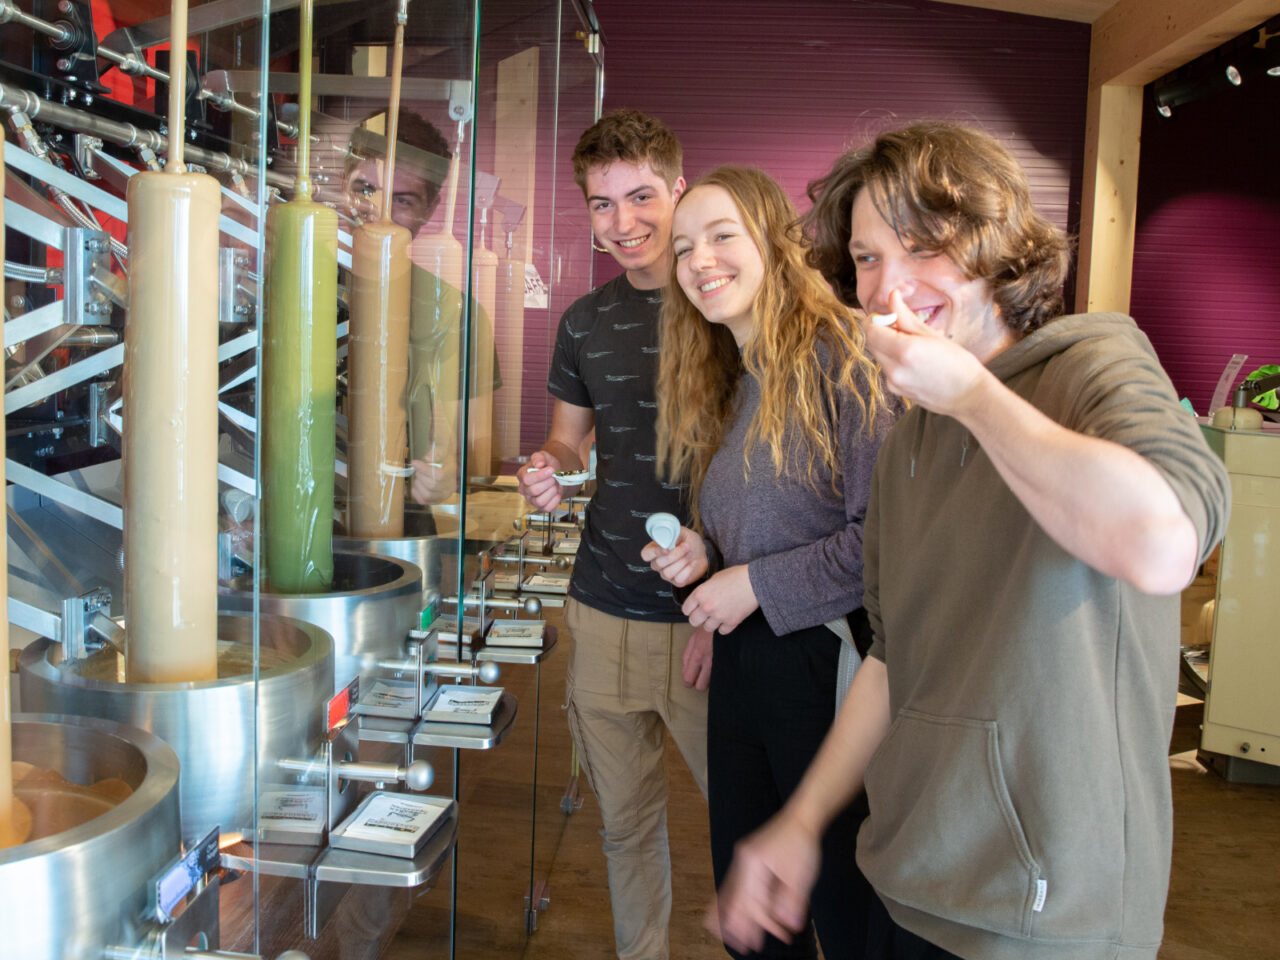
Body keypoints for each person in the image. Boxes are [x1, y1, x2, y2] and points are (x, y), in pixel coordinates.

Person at [714, 121, 1231, 960]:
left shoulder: (1097, 362)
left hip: (1042, 916)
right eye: (869, 258)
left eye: (924, 245)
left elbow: (1161, 546)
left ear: (997, 246)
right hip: (905, 873)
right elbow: (890, 656)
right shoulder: (911, 436)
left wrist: (974, 399)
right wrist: (802, 823)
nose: (889, 287)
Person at [642, 166, 898, 958]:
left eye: (722, 236)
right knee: (752, 915)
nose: (699, 261)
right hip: (743, 668)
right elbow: (761, 525)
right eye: (684, 247)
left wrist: (750, 584)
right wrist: (704, 555)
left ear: (775, 243)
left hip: (830, 669)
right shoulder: (735, 379)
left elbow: (884, 543)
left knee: (841, 908)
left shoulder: (847, 356)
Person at [515, 109, 712, 960]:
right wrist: (548, 467)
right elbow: (571, 436)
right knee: (625, 828)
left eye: (640, 197)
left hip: (716, 616)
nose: (623, 223)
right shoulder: (584, 322)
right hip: (601, 607)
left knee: (753, 821)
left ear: (679, 188)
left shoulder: (727, 307)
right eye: (601, 205)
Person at [340, 108, 500, 518]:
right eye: (365, 190)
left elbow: (475, 454)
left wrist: (448, 473)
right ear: (343, 186)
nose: (379, 213)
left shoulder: (457, 315)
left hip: (399, 531)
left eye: (403, 200)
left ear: (431, 209)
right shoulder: (287, 292)